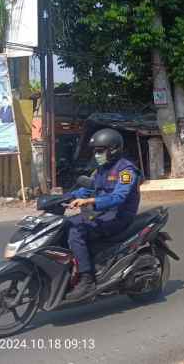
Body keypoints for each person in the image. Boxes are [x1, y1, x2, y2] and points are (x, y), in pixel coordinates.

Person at [64, 128, 141, 302]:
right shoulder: (101, 170)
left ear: (113, 150)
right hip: (101, 213)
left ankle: (87, 279)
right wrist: (65, 197)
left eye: (100, 151)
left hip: (118, 217)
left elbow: (119, 197)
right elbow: (88, 189)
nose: (96, 155)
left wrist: (90, 201)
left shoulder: (126, 171)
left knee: (76, 232)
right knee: (65, 225)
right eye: (95, 151)